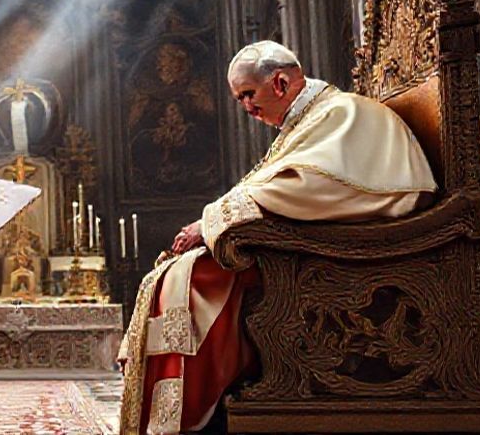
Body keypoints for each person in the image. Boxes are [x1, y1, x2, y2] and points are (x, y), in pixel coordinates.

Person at [118, 41, 437, 434]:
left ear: (281, 82)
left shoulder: (343, 113)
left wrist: (211, 223)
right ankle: (208, 399)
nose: (247, 109)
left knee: (197, 277)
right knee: (181, 271)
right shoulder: (310, 120)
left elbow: (313, 186)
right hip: (318, 243)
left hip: (357, 250)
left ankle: (196, 411)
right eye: (240, 100)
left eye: (248, 95)